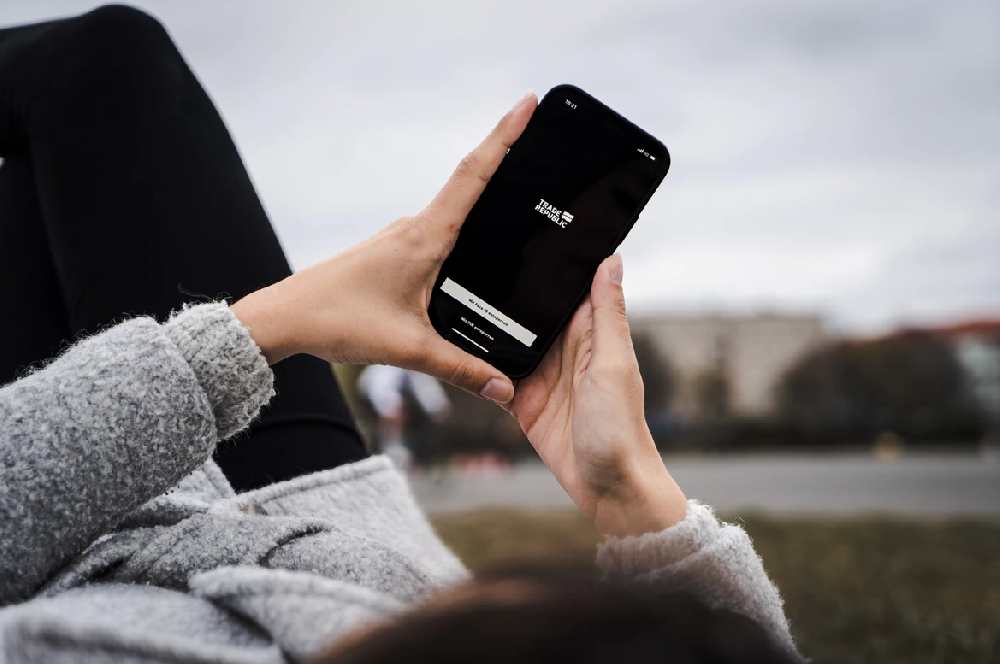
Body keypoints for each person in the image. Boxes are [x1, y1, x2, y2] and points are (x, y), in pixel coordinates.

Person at [0, 6, 802, 663]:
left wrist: (262, 329)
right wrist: (629, 494)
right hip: (332, 510)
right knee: (109, 60)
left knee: (71, 115)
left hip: (101, 535)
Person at [358, 364, 451, 471]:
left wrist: (437, 406)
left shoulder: (414, 367)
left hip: (396, 394)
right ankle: (389, 451)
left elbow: (424, 385)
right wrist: (389, 409)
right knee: (392, 412)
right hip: (371, 394)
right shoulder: (384, 372)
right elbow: (381, 391)